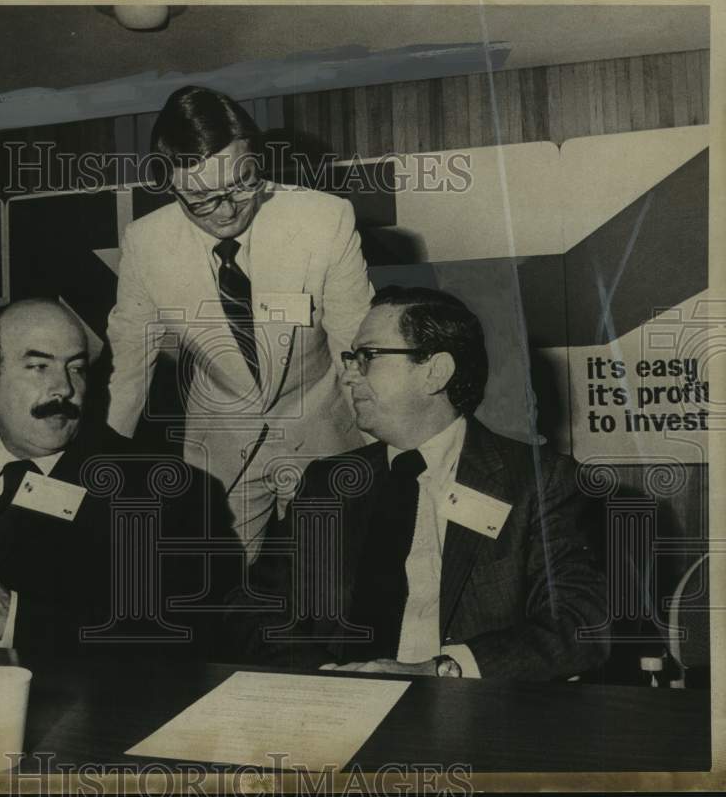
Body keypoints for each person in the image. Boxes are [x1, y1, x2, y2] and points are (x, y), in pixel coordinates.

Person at [228, 286, 609, 681]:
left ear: (434, 372)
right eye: (351, 357)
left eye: (368, 356)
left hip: (469, 716)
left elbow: (579, 623)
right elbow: (255, 609)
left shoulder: (538, 482)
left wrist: (441, 670)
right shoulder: (327, 484)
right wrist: (329, 676)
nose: (348, 373)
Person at [0, 298, 233, 657]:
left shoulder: (157, 488)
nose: (64, 388)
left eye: (75, 368)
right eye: (39, 366)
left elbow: (183, 638)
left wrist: (9, 618)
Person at [106, 86, 373, 563]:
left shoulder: (323, 219)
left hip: (322, 436)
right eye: (200, 199)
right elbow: (129, 369)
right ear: (170, 185)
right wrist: (93, 462)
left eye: (240, 186)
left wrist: (384, 450)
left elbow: (356, 347)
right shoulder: (146, 244)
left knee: (329, 588)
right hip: (220, 447)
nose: (226, 211)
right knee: (216, 596)